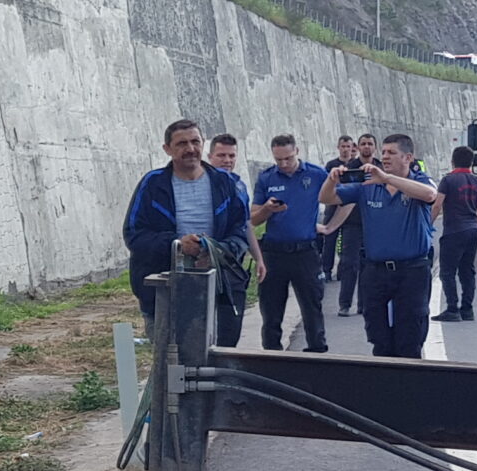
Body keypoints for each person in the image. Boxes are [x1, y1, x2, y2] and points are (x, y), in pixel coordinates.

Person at [124, 119, 251, 348]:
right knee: (170, 362)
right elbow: (134, 234)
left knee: (218, 360)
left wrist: (214, 251)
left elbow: (240, 232)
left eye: (195, 141)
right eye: (181, 143)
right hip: (165, 291)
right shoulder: (153, 184)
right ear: (167, 149)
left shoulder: (226, 183)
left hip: (219, 289)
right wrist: (177, 245)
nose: (190, 149)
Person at [336, 132, 440, 358]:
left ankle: (410, 386)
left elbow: (430, 194)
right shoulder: (368, 185)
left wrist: (388, 179)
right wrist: (331, 179)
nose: (385, 157)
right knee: (378, 336)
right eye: (383, 152)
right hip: (376, 270)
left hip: (412, 270)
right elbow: (329, 197)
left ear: (408, 157)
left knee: (410, 335)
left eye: (391, 153)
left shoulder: (419, 180)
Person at [249, 133, 332, 352]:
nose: (284, 164)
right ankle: (272, 357)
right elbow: (253, 219)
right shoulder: (267, 178)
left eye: (288, 158)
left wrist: (332, 225)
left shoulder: (316, 175)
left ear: (297, 151)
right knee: (271, 311)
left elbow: (340, 198)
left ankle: (317, 352)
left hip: (305, 252)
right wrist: (267, 208)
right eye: (279, 160)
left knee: (312, 307)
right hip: (274, 253)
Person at [434, 145, 477, 323]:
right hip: (472, 229)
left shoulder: (448, 180)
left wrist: (427, 224)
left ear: (452, 161)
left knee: (448, 272)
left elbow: (437, 205)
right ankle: (467, 309)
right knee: (467, 271)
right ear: (472, 162)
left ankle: (452, 308)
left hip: (453, 230)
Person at [325, 133, 378, 316]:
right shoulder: (349, 169)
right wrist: (332, 224)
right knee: (349, 264)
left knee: (369, 265)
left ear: (375, 147)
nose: (366, 147)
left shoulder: (379, 168)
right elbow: (341, 197)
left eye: (370, 144)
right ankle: (345, 304)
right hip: (352, 223)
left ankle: (364, 304)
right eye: (363, 143)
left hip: (374, 224)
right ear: (358, 147)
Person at [208, 133, 263, 290]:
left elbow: (246, 224)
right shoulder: (203, 185)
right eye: (221, 155)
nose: (227, 160)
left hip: (233, 260)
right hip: (207, 258)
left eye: (231, 155)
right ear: (210, 156)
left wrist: (258, 258)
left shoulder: (239, 186)